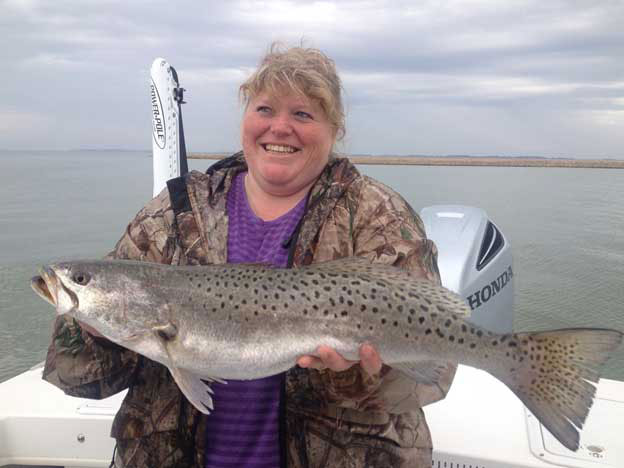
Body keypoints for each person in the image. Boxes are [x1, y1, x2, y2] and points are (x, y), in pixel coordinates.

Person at [43, 43, 460, 467]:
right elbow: (75, 376)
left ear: (334, 130)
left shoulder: (376, 217)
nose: (279, 127)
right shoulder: (171, 214)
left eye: (302, 114)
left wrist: (354, 375)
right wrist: (96, 323)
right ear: (245, 118)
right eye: (264, 109)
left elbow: (433, 373)